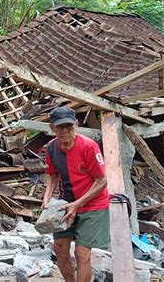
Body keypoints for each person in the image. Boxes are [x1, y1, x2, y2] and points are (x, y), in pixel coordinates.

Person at [42, 106, 109, 282]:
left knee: (82, 252)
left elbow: (102, 181)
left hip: (92, 204)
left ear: (76, 126)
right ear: (52, 128)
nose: (65, 131)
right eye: (60, 127)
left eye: (68, 127)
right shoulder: (51, 148)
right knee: (60, 246)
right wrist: (47, 198)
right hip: (66, 203)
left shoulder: (89, 146)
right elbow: (52, 175)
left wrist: (77, 204)